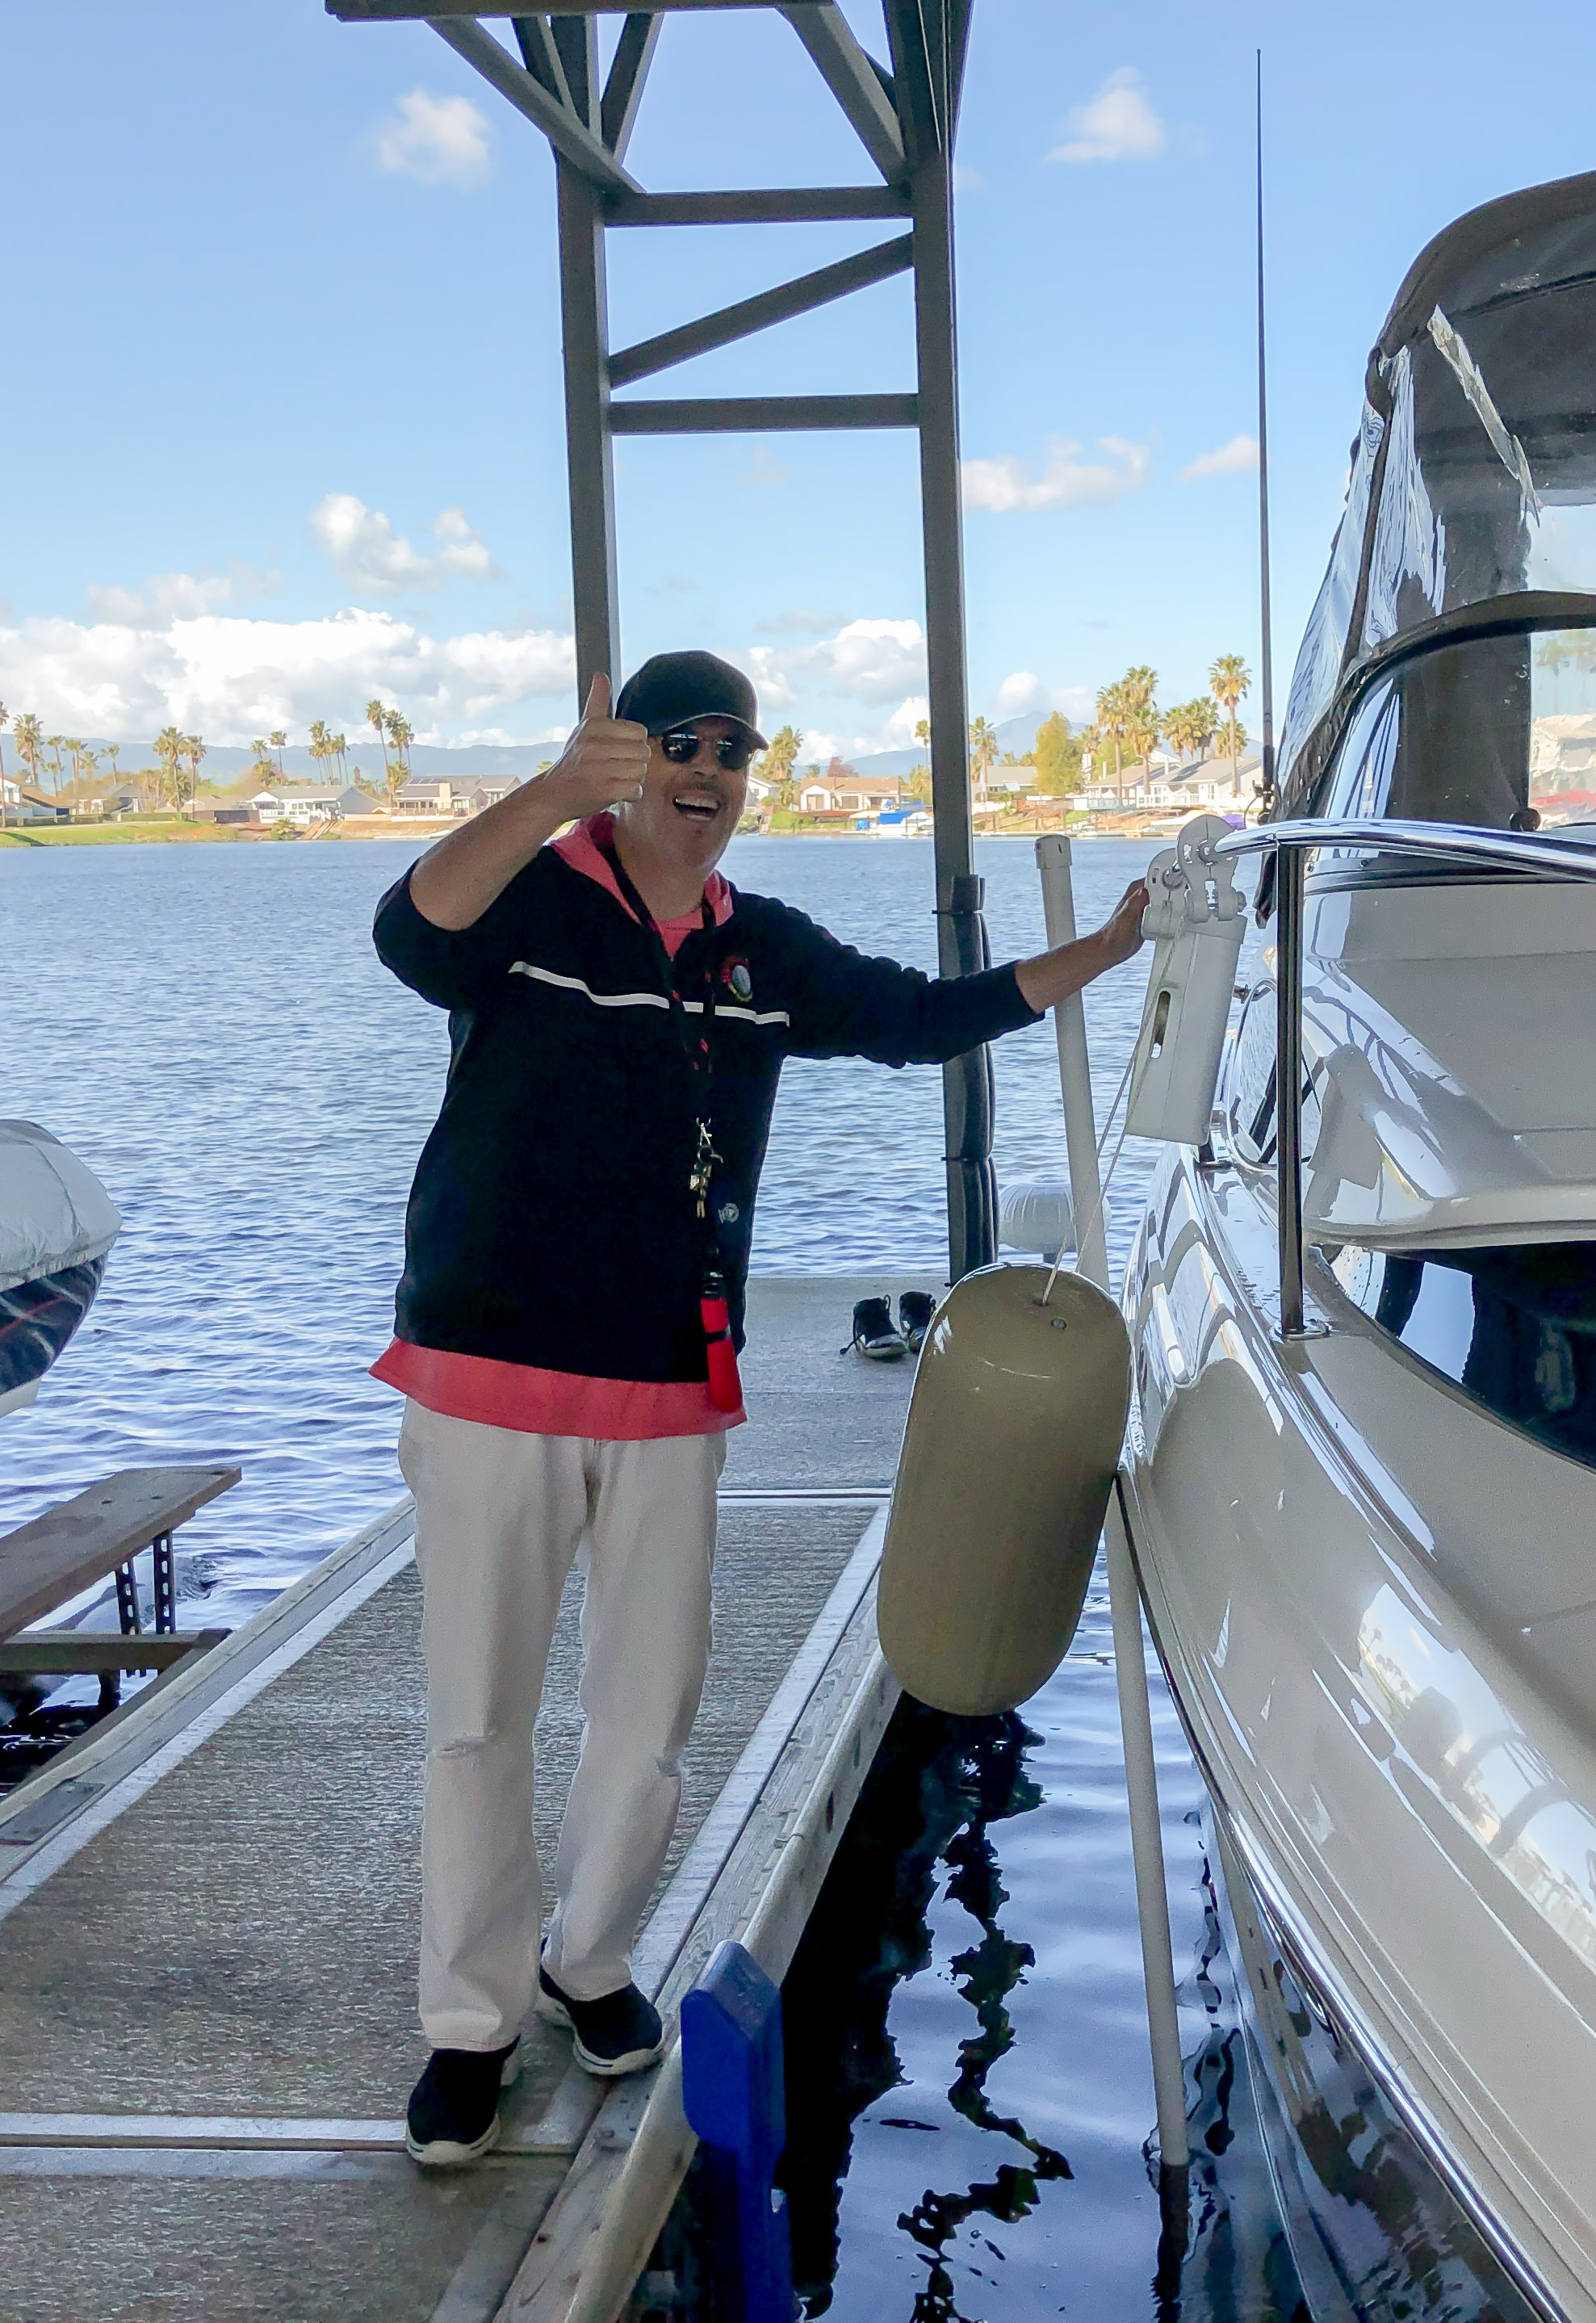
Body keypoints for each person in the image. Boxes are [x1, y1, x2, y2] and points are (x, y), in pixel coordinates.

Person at [372, 650, 1146, 2166]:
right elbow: (409, 929)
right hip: (490, 1375)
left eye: (734, 750)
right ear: (626, 758)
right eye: (681, 743)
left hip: (669, 1376)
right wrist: (547, 790)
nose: (710, 773)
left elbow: (923, 1017)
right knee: (478, 1715)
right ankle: (465, 2029)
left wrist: (1101, 956)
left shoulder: (758, 948)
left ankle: (585, 1962)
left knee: (649, 1716)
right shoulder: (533, 898)